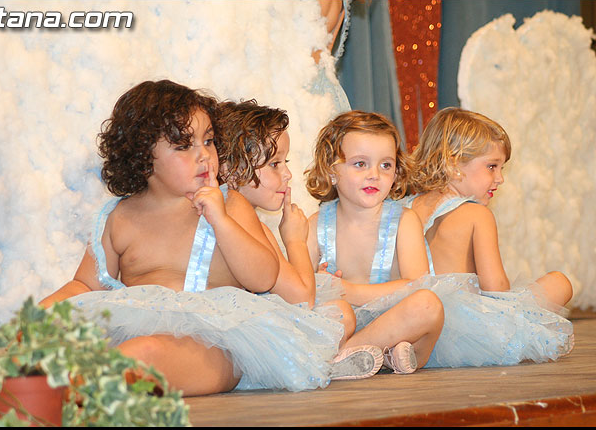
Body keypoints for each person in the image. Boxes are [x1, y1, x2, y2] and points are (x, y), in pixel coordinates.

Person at [39, 80, 346, 396]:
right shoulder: (119, 217)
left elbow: (263, 277)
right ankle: (56, 386)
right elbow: (85, 285)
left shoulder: (229, 205)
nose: (204, 155)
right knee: (64, 346)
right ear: (142, 155)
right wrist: (42, 314)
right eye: (184, 145)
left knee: (143, 354)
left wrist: (220, 221)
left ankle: (78, 389)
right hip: (133, 333)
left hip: (215, 342)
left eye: (209, 141)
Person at [216, 99, 387, 379]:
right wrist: (294, 239)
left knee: (337, 309)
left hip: (240, 320)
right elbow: (301, 299)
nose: (287, 174)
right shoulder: (238, 209)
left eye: (284, 162)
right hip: (244, 334)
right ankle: (327, 361)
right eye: (274, 164)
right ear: (231, 171)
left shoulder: (231, 207)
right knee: (340, 314)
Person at [403, 106, 574, 367]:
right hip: (465, 334)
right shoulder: (477, 214)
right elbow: (496, 290)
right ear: (453, 164)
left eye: (501, 168)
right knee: (559, 283)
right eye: (492, 167)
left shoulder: (406, 209)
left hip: (419, 327)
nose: (500, 178)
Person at [305, 110, 445, 372]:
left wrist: (346, 289)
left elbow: (415, 285)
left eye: (386, 165)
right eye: (360, 164)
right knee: (335, 310)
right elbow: (301, 288)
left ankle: (344, 358)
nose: (374, 174)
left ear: (396, 172)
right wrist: (319, 282)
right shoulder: (315, 224)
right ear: (331, 171)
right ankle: (378, 356)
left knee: (428, 305)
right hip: (345, 324)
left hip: (396, 323)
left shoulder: (404, 220)